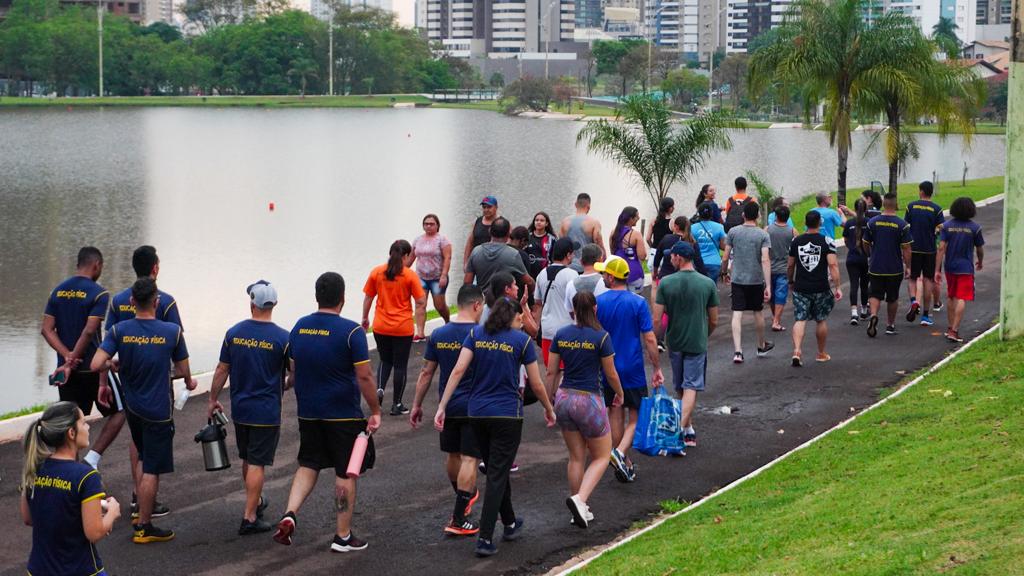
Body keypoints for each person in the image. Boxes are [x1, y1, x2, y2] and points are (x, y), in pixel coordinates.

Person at [433, 297, 556, 558]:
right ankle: (486, 538)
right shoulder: (521, 341)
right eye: (520, 316)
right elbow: (536, 383)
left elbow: (457, 371)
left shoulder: (476, 335)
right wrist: (548, 407)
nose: (523, 319)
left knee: (495, 468)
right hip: (507, 416)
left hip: (476, 413)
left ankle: (510, 522)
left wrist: (442, 405)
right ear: (510, 317)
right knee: (497, 474)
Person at [274, 272, 383, 552]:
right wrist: (375, 410)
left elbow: (294, 370)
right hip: (342, 414)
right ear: (343, 299)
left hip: (308, 412)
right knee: (345, 474)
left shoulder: (299, 327)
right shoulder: (352, 332)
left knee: (308, 464)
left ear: (316, 297)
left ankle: (290, 513)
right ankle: (343, 536)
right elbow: (365, 377)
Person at [91, 277, 195, 544]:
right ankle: (144, 527)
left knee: (141, 458)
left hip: (133, 407)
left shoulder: (120, 330)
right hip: (158, 410)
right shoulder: (172, 332)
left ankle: (140, 511)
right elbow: (183, 370)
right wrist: (188, 382)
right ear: (157, 302)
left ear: (132, 302)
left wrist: (113, 364)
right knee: (152, 466)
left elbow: (95, 364)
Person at [207, 280, 291, 535]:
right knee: (257, 462)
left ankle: (254, 501)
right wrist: (286, 384)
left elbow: (222, 369)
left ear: (252, 303)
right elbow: (296, 372)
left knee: (248, 458)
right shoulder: (283, 338)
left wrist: (212, 399)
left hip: (241, 409)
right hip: (266, 411)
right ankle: (250, 517)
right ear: (274, 304)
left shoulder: (234, 333)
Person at [104, 244, 181, 518]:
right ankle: (145, 504)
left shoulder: (117, 301)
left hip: (128, 383)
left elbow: (105, 346)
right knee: (152, 445)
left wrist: (104, 382)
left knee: (137, 439)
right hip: (158, 385)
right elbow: (178, 346)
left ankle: (138, 496)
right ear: (155, 268)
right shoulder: (166, 302)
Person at [409, 285, 486, 537]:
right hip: (475, 405)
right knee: (470, 458)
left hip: (449, 403)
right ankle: (460, 515)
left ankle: (462, 499)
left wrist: (417, 404)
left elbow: (426, 372)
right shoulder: (481, 334)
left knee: (453, 454)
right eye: (482, 306)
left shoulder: (440, 333)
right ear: (476, 305)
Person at [40, 247, 123, 474]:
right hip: (92, 369)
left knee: (71, 425)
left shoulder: (57, 291)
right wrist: (73, 359)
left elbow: (47, 330)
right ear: (96, 265)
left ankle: (72, 475)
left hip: (65, 372)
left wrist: (66, 357)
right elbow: (89, 331)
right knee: (120, 411)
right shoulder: (99, 294)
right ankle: (91, 460)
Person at [546, 291, 624, 529]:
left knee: (576, 457)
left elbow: (551, 372)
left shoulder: (561, 334)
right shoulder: (601, 337)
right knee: (602, 455)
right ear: (595, 309)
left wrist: (550, 401)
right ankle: (580, 500)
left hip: (564, 398)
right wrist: (620, 393)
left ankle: (577, 509)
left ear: (573, 309)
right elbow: (610, 372)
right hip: (588, 400)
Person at [20, 401, 121, 576]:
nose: (88, 427)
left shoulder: (34, 469)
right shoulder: (86, 476)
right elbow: (94, 532)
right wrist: (112, 511)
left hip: (38, 570)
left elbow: (30, 518)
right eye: (83, 422)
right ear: (71, 433)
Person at [594, 257, 663, 482]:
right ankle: (621, 454)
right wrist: (656, 367)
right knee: (636, 415)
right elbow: (650, 339)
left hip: (607, 366)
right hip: (632, 367)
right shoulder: (638, 302)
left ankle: (624, 461)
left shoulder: (598, 302)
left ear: (612, 277)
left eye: (605, 273)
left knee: (615, 412)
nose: (603, 276)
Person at [363, 240, 427, 416]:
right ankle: (397, 404)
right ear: (406, 256)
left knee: (385, 360)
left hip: (381, 326)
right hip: (402, 327)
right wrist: (417, 311)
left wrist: (364, 318)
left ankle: (380, 390)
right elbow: (421, 301)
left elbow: (368, 297)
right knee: (400, 365)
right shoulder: (409, 275)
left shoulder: (377, 272)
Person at [787, 211, 842, 366]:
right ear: (820, 223)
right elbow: (833, 264)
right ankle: (821, 352)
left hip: (801, 286)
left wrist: (790, 281)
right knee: (821, 319)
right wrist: (837, 286)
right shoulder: (827, 241)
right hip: (821, 286)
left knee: (800, 318)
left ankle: (797, 350)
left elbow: (790, 264)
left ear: (805, 222)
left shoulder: (796, 241)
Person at [722, 202, 773, 363]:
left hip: (738, 278)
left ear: (743, 215)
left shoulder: (733, 232)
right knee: (758, 312)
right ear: (758, 216)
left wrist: (724, 272)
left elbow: (725, 256)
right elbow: (765, 259)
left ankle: (738, 351)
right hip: (756, 279)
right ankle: (760, 344)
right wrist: (768, 284)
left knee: (737, 313)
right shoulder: (763, 235)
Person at [935, 197, 985, 344]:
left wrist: (937, 270)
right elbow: (979, 248)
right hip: (966, 268)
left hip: (950, 266)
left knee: (951, 296)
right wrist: (980, 261)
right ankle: (954, 330)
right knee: (962, 297)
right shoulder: (975, 228)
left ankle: (950, 327)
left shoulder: (946, 226)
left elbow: (941, 248)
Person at [864, 193, 913, 337]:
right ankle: (890, 325)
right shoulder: (902, 225)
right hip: (894, 267)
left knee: (874, 293)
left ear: (884, 204)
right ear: (895, 205)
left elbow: (865, 243)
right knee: (892, 297)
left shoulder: (872, 222)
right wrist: (908, 266)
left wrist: (870, 254)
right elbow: (906, 249)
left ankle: (873, 315)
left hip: (876, 265)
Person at [904, 181, 945, 326]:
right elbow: (941, 228)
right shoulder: (937, 209)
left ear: (921, 191)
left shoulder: (911, 206)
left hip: (914, 248)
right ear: (931, 192)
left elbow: (906, 227)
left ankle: (914, 301)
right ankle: (926, 316)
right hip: (929, 250)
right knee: (928, 280)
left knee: (912, 278)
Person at [532, 238, 579, 366]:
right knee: (566, 371)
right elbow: (577, 304)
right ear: (568, 255)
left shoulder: (542, 273)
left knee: (550, 371)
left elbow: (537, 302)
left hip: (547, 329)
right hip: (567, 331)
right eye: (573, 253)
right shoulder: (572, 274)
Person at [465, 217, 534, 297]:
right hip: (503, 304)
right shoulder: (512, 254)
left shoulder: (476, 252)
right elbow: (528, 282)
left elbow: (467, 283)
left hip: (482, 303)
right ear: (508, 234)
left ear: (490, 231)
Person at [411, 214, 452, 339]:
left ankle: (448, 322)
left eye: (431, 224)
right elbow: (411, 258)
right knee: (420, 304)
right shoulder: (418, 240)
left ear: (437, 225)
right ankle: (420, 333)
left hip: (437, 278)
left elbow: (447, 258)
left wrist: (444, 275)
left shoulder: (442, 240)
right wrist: (398, 270)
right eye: (426, 224)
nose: (428, 226)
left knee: (439, 305)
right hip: (421, 277)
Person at [768, 206, 798, 332]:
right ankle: (776, 320)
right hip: (784, 268)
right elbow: (797, 250)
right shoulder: (793, 231)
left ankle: (776, 318)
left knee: (771, 295)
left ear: (776, 216)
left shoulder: (767, 230)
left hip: (769, 268)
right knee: (781, 295)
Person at [842, 199, 872, 324]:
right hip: (866, 258)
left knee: (854, 285)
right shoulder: (870, 223)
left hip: (852, 258)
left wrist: (853, 248)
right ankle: (864, 311)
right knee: (865, 285)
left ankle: (854, 314)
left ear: (854, 209)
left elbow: (845, 240)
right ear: (866, 209)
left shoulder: (849, 223)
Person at [561, 193, 606, 272]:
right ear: (588, 206)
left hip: (569, 267)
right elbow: (599, 245)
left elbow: (561, 245)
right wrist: (603, 265)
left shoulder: (565, 222)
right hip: (589, 268)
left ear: (575, 204)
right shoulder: (594, 223)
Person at [609, 206, 647, 293]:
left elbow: (613, 252)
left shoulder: (613, 232)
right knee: (635, 302)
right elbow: (642, 256)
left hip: (618, 273)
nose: (639, 218)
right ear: (631, 219)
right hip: (634, 273)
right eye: (637, 216)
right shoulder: (636, 234)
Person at [563, 244, 610, 314]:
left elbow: (571, 312)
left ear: (581, 261)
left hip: (579, 324)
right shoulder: (606, 283)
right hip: (601, 324)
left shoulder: (570, 285)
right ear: (600, 260)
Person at [693, 202, 727, 283]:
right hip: (714, 262)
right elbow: (723, 246)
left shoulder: (692, 228)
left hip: (698, 263)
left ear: (699, 214)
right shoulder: (719, 227)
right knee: (712, 288)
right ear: (711, 213)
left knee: (699, 288)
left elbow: (691, 246)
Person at [463, 195, 500, 268]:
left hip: (495, 264)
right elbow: (470, 243)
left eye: (489, 207)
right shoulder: (477, 222)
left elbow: (510, 243)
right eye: (484, 207)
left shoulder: (502, 222)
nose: (486, 210)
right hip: (477, 263)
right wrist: (465, 262)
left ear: (496, 207)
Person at [525, 211, 558, 280]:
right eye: (536, 220)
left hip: (546, 274)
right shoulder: (527, 238)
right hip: (530, 274)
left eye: (542, 220)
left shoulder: (552, 239)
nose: (538, 222)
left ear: (546, 223)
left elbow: (555, 258)